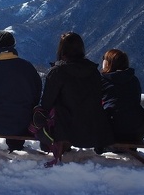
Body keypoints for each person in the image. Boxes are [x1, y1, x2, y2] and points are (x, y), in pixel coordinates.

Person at [39, 32, 114, 165]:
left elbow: (46, 103)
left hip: (65, 131)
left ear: (61, 49)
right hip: (93, 130)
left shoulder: (57, 72)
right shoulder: (94, 72)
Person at [99, 49, 144, 144]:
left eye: (104, 59)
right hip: (135, 133)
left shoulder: (102, 81)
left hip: (110, 133)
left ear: (108, 63)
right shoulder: (133, 80)